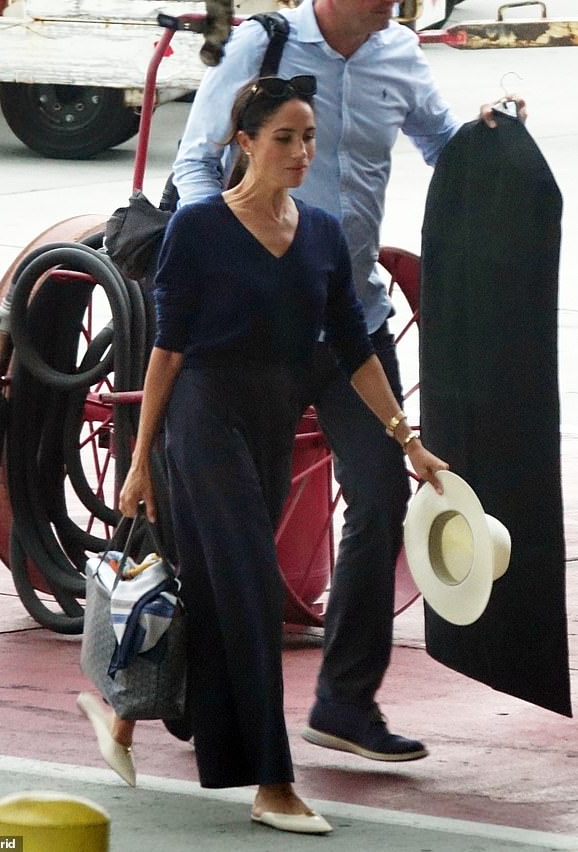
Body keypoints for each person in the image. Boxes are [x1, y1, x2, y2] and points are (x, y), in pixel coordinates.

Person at [79, 75, 448, 835]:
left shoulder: (319, 231)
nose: (301, 151)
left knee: (218, 597)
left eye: (308, 136)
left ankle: (123, 703)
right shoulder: (202, 228)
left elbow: (354, 347)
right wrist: (142, 459)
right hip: (204, 416)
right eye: (284, 137)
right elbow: (167, 352)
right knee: (250, 588)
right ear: (243, 144)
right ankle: (272, 785)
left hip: (272, 419)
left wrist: (409, 442)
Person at [171, 0, 527, 762]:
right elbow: (195, 162)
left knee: (381, 495)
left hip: (350, 320)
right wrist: (225, 259)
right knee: (236, 524)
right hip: (253, 335)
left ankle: (345, 701)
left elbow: (445, 148)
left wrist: (493, 136)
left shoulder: (399, 54)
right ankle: (197, 683)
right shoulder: (264, 46)